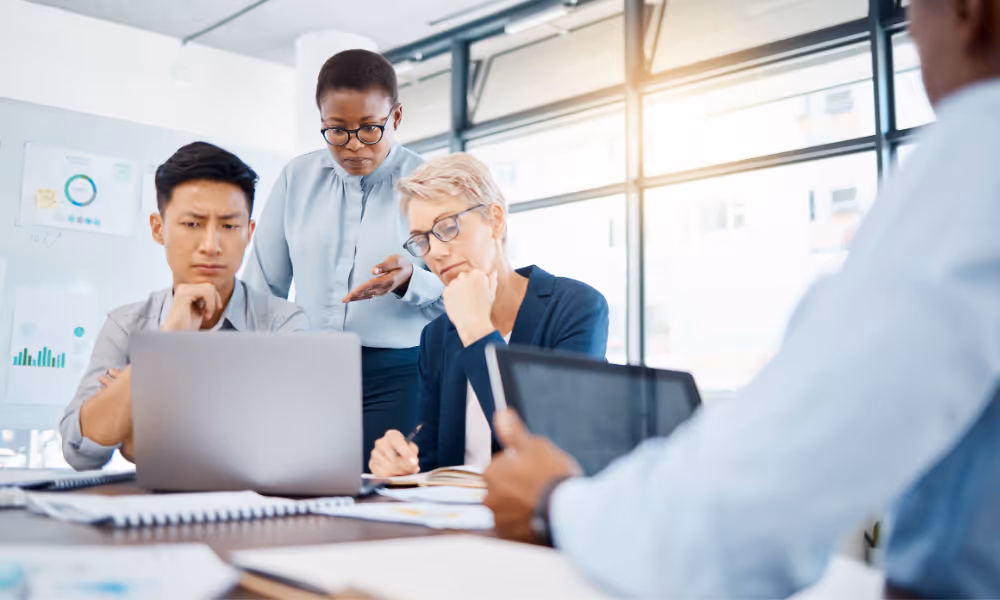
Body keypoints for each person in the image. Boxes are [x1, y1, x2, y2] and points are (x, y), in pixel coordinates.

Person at [482, 0, 1000, 597]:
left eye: (912, 8)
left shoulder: (978, 151)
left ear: (967, 10)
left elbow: (735, 523)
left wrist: (556, 501)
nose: (909, 30)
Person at [242, 49, 444, 468]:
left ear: (396, 117)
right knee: (298, 483)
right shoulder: (297, 178)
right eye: (336, 130)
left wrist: (411, 279)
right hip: (308, 369)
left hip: (400, 375)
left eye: (370, 128)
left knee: (385, 488)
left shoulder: (429, 187)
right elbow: (263, 286)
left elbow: (464, 294)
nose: (353, 145)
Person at [60, 142, 309, 471]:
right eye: (192, 224)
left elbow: (285, 445)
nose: (211, 245)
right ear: (158, 228)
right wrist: (166, 342)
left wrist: (138, 426)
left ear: (249, 233)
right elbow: (80, 453)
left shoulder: (284, 324)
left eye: (229, 226)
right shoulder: (126, 324)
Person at [367, 154, 609, 477]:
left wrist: (477, 329)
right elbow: (430, 456)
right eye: (422, 240)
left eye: (447, 227)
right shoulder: (436, 336)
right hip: (451, 507)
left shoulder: (576, 308)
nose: (435, 253)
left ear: (495, 220)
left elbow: (552, 447)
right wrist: (402, 462)